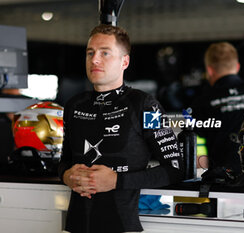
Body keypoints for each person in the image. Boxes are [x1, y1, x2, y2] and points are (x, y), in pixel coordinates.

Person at [58, 24, 184, 233]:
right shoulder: (74, 106)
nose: (95, 59)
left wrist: (117, 181)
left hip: (123, 226)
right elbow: (64, 162)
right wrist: (67, 176)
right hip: (75, 226)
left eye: (105, 53)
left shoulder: (145, 105)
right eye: (90, 53)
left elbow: (175, 169)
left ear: (124, 61)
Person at [190, 42, 244, 182]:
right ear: (237, 67)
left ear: (210, 71)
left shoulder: (203, 102)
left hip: (224, 182)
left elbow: (195, 143)